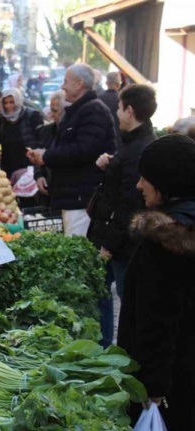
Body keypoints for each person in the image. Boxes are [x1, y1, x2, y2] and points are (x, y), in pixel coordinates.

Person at [117, 134, 195, 430]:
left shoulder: (164, 245)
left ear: (166, 184)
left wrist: (152, 387)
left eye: (145, 177)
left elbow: (160, 320)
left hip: (173, 387)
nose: (139, 185)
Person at [87, 84, 157, 347]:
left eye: (118, 107)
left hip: (122, 242)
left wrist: (109, 244)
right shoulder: (134, 144)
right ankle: (108, 347)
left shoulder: (139, 149)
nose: (116, 113)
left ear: (129, 110)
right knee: (105, 294)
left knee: (123, 299)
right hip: (118, 237)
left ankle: (118, 350)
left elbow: (129, 204)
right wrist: (111, 163)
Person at [27, 63, 116, 236]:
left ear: (79, 83)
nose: (62, 86)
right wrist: (43, 159)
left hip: (80, 199)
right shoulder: (78, 110)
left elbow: (84, 150)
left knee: (76, 246)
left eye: (65, 81)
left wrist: (46, 156)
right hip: (70, 196)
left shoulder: (93, 110)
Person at [0, 88, 43, 183]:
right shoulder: (2, 118)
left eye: (11, 102)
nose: (8, 106)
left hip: (28, 161)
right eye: (6, 103)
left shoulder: (32, 115)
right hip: (9, 161)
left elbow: (41, 140)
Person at [34, 90, 68, 202]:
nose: (51, 114)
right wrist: (39, 175)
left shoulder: (73, 133)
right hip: (48, 191)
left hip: (66, 192)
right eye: (51, 110)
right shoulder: (47, 131)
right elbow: (37, 157)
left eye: (55, 110)